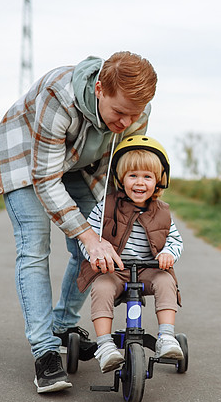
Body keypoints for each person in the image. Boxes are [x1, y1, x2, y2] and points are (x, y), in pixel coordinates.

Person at [0, 51, 157, 393]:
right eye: (119, 112)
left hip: (80, 166)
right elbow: (45, 179)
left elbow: (122, 169)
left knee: (101, 242)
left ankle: (63, 326)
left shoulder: (136, 111)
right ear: (99, 89)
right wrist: (87, 236)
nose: (127, 122)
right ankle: (45, 353)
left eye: (135, 114)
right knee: (35, 245)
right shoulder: (59, 95)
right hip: (27, 160)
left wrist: (118, 227)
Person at [77, 135, 184, 373]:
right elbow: (89, 237)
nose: (139, 183)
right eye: (132, 175)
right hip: (114, 270)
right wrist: (96, 256)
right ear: (120, 178)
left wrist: (168, 253)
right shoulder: (106, 207)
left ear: (159, 180)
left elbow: (175, 240)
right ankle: (105, 345)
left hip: (149, 270)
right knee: (102, 287)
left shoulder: (163, 212)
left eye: (147, 177)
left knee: (166, 281)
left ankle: (167, 337)